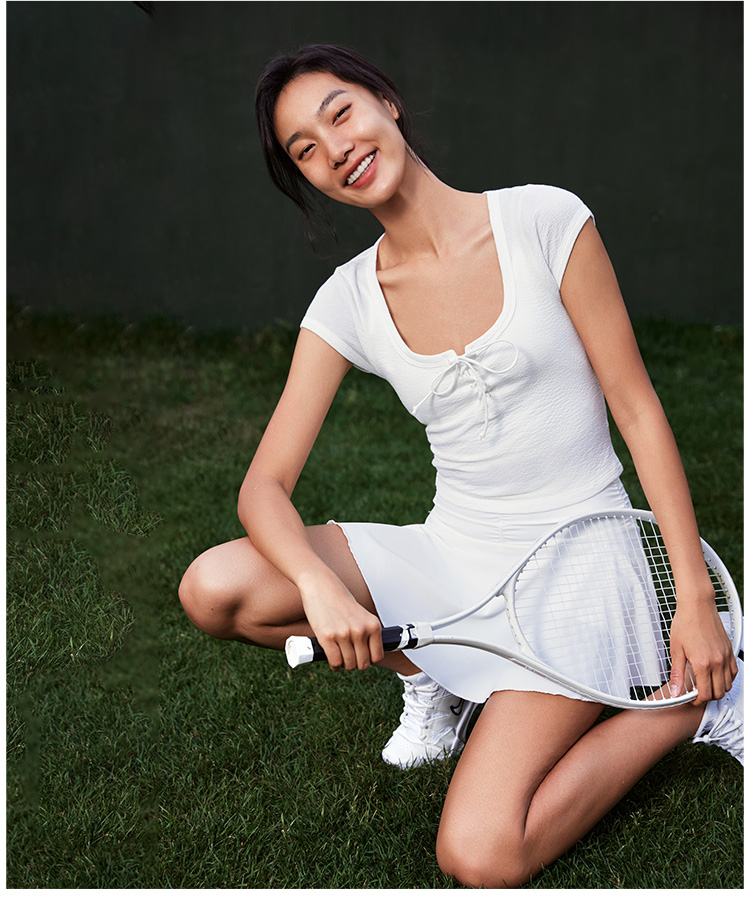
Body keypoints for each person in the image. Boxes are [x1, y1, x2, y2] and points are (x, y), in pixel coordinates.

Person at [178, 44, 743, 888]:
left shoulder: (544, 220)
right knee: (215, 589)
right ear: (308, 180)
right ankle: (430, 674)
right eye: (305, 149)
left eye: (340, 113)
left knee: (479, 854)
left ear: (386, 102)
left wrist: (693, 600)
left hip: (580, 565)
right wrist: (320, 586)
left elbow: (637, 410)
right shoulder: (347, 301)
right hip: (453, 556)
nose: (336, 149)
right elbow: (263, 487)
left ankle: (693, 703)